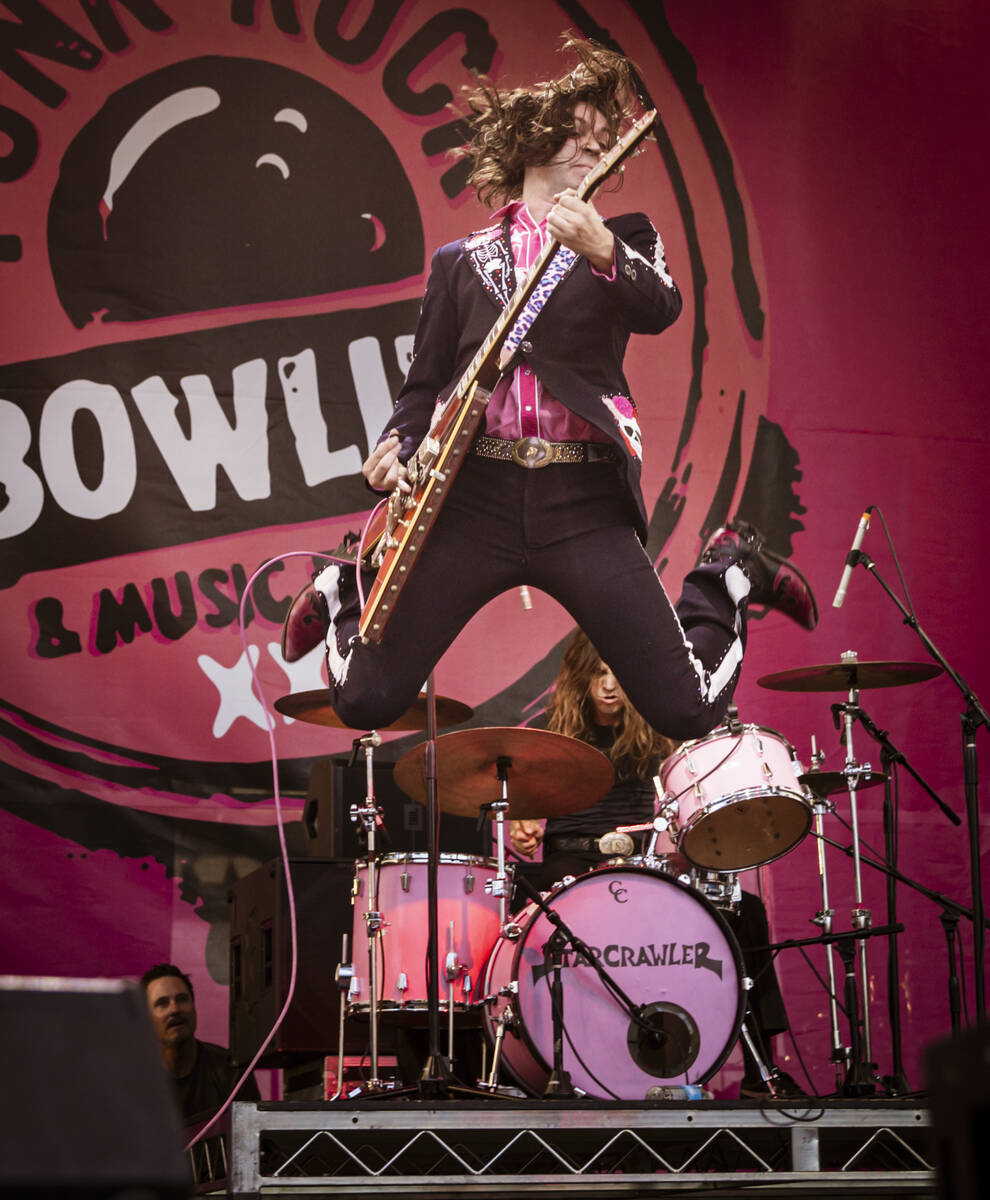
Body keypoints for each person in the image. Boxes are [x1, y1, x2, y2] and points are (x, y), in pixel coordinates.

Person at [282, 36, 816, 742]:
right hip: (475, 497)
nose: (595, 149)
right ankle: (344, 585)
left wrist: (601, 249)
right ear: (533, 141)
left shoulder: (625, 237)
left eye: (605, 140)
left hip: (581, 501)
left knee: (687, 708)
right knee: (366, 701)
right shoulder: (459, 263)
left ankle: (726, 570)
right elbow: (423, 388)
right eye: (580, 134)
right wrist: (395, 448)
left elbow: (661, 308)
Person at [509, 629, 804, 1099]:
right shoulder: (550, 734)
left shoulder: (658, 732)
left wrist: (686, 848)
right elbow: (520, 802)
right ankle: (533, 1064)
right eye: (598, 674)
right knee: (523, 904)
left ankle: (761, 1071)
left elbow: (685, 803)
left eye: (618, 676)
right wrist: (522, 822)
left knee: (745, 912)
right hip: (570, 862)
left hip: (639, 864)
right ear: (580, 678)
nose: (609, 686)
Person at [141, 963, 259, 1122]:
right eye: (162, 1003)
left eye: (182, 999)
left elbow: (252, 1138)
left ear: (194, 1007)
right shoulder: (131, 1081)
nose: (175, 1009)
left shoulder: (232, 1071)